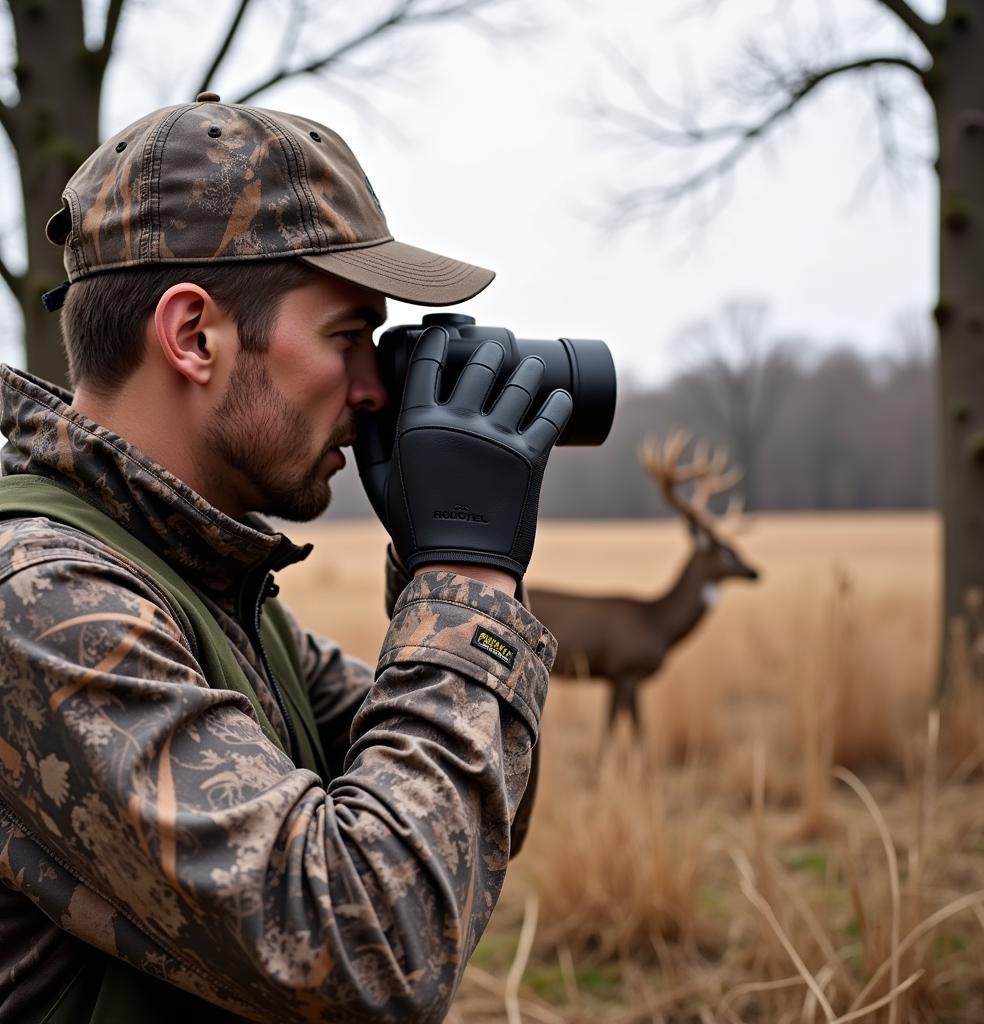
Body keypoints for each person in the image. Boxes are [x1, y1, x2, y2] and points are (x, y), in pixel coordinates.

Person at [0, 94, 570, 1024]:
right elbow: (377, 946)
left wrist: (436, 549)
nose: (374, 386)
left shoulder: (208, 587)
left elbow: (456, 829)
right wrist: (468, 581)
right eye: (349, 338)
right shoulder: (42, 599)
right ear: (194, 337)